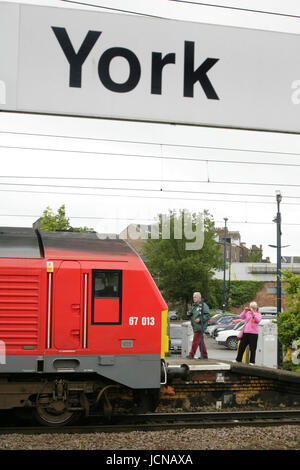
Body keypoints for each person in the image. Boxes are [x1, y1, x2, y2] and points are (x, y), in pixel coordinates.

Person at [186, 292, 210, 359]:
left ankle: (191, 354)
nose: (194, 298)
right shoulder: (194, 306)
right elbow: (192, 314)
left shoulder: (203, 305)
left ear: (199, 298)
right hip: (195, 326)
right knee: (200, 342)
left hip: (200, 326)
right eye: (193, 297)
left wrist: (200, 319)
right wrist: (189, 314)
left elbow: (207, 315)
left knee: (195, 341)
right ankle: (204, 355)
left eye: (195, 297)